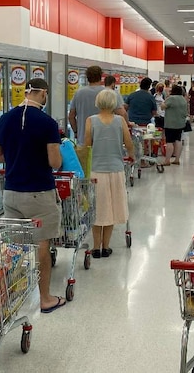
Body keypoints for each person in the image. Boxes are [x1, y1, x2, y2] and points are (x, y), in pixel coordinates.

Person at [0, 78, 66, 313]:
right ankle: (44, 298)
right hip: (39, 192)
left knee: (15, 247)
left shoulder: (5, 118)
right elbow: (54, 162)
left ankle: (16, 297)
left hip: (11, 192)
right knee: (41, 243)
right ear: (43, 93)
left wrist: (16, 157)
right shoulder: (47, 122)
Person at [85, 89, 134, 258]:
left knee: (97, 209)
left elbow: (87, 147)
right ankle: (106, 247)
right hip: (116, 169)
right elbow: (128, 143)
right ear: (114, 103)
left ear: (98, 102)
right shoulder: (120, 121)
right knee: (112, 208)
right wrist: (132, 156)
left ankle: (95, 247)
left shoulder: (90, 121)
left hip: (96, 171)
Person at [68, 65, 105, 146]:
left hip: (83, 140)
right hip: (103, 141)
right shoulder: (107, 93)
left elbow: (71, 116)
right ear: (101, 76)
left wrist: (76, 132)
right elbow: (120, 113)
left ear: (87, 77)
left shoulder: (78, 93)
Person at [162, 84, 188, 166]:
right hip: (180, 123)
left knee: (169, 141)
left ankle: (167, 160)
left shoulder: (171, 98)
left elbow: (163, 107)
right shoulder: (183, 99)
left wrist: (165, 100)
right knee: (178, 140)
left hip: (170, 123)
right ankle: (177, 159)